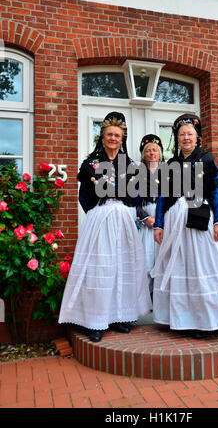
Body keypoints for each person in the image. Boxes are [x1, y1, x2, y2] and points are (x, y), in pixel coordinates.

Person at [58, 112, 152, 342]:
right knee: (99, 268)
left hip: (124, 219)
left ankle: (120, 317)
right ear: (102, 137)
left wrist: (122, 200)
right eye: (109, 134)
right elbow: (84, 197)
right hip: (100, 218)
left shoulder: (130, 165)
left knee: (123, 267)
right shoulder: (90, 164)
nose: (112, 138)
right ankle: (95, 321)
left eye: (117, 135)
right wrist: (99, 212)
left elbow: (137, 196)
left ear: (122, 139)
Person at [151, 114, 218, 339]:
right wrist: (158, 224)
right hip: (175, 224)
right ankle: (181, 320)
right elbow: (162, 197)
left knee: (202, 268)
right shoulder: (171, 164)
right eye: (182, 134)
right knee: (180, 267)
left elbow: (217, 190)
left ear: (197, 137)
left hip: (202, 221)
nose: (186, 138)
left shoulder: (207, 160)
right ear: (177, 139)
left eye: (190, 134)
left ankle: (206, 321)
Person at [137, 134, 163, 297]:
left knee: (162, 262)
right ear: (143, 154)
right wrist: (145, 217)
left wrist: (162, 220)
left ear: (159, 153)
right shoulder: (136, 174)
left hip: (164, 223)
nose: (151, 153)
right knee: (146, 262)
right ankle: (144, 300)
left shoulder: (169, 173)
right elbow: (131, 199)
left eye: (154, 150)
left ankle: (160, 301)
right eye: (148, 150)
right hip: (146, 223)